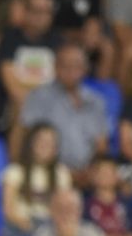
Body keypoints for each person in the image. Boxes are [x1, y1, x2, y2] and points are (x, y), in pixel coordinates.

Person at [17, 43, 109, 181]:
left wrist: (89, 173)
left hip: (88, 177)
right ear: (55, 67)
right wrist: (62, 174)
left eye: (76, 65)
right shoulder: (39, 97)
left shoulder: (95, 102)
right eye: (65, 65)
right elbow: (28, 139)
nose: (71, 71)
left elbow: (101, 145)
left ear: (85, 69)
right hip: (49, 175)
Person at [0, 0, 60, 137]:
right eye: (36, 11)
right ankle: (16, 153)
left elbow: (61, 80)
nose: (40, 17)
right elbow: (11, 84)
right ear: (25, 12)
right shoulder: (10, 39)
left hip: (49, 103)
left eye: (46, 12)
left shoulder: (58, 42)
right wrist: (36, 104)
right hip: (10, 105)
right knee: (22, 108)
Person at [0, 123, 73, 236]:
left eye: (50, 142)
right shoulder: (14, 171)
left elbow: (65, 208)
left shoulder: (62, 173)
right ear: (31, 143)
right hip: (21, 227)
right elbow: (8, 211)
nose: (45, 146)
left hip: (50, 227)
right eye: (41, 141)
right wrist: (31, 227)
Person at [85, 156, 132, 236]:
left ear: (116, 176)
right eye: (102, 173)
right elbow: (87, 235)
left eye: (110, 172)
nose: (106, 176)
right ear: (94, 176)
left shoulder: (127, 203)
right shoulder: (86, 204)